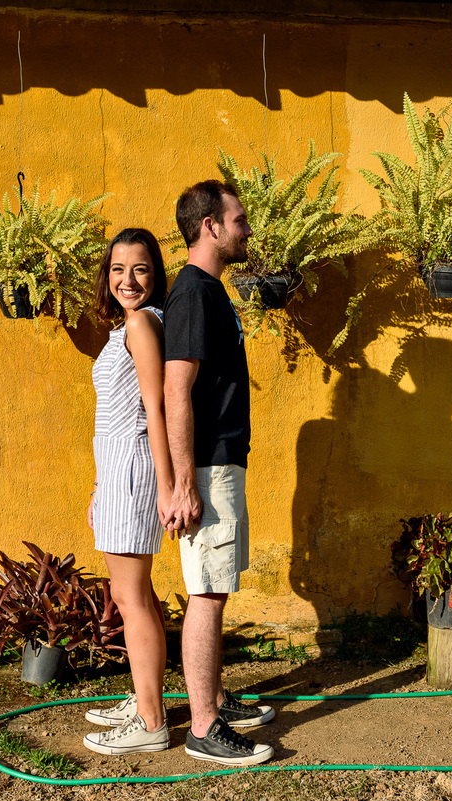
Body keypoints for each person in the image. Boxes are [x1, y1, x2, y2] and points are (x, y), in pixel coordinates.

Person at [163, 180, 275, 767]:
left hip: (221, 462)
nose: (246, 229)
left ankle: (215, 700)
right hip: (206, 468)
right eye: (239, 219)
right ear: (210, 226)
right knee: (205, 593)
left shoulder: (209, 292)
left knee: (217, 587)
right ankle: (203, 727)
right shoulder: (193, 295)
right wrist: (183, 483)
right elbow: (176, 390)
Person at [81, 228, 173, 756]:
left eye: (139, 269)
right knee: (133, 595)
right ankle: (145, 699)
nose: (127, 279)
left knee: (131, 598)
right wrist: (99, 484)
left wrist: (164, 484)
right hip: (117, 472)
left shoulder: (142, 324)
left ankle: (151, 720)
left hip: (134, 470)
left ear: (155, 274)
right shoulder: (129, 326)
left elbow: (154, 410)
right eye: (118, 269)